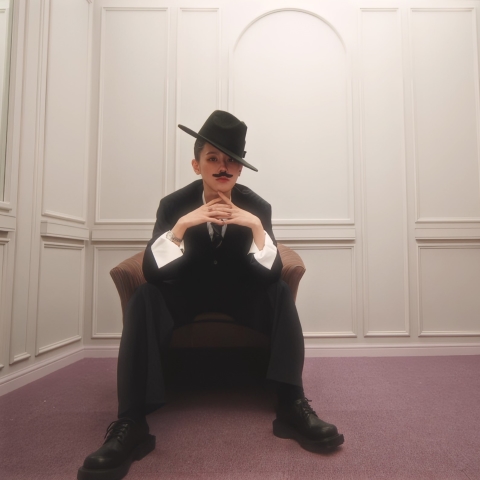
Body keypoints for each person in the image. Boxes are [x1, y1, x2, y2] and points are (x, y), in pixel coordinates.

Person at [77, 110, 344, 480]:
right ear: (196, 165)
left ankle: (291, 403)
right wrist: (182, 226)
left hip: (241, 296)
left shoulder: (258, 207)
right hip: (185, 296)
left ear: (240, 169)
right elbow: (152, 272)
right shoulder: (173, 205)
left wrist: (256, 228)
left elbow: (270, 275)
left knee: (280, 292)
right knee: (144, 297)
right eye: (213, 158)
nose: (223, 167)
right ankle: (131, 422)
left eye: (231, 161)